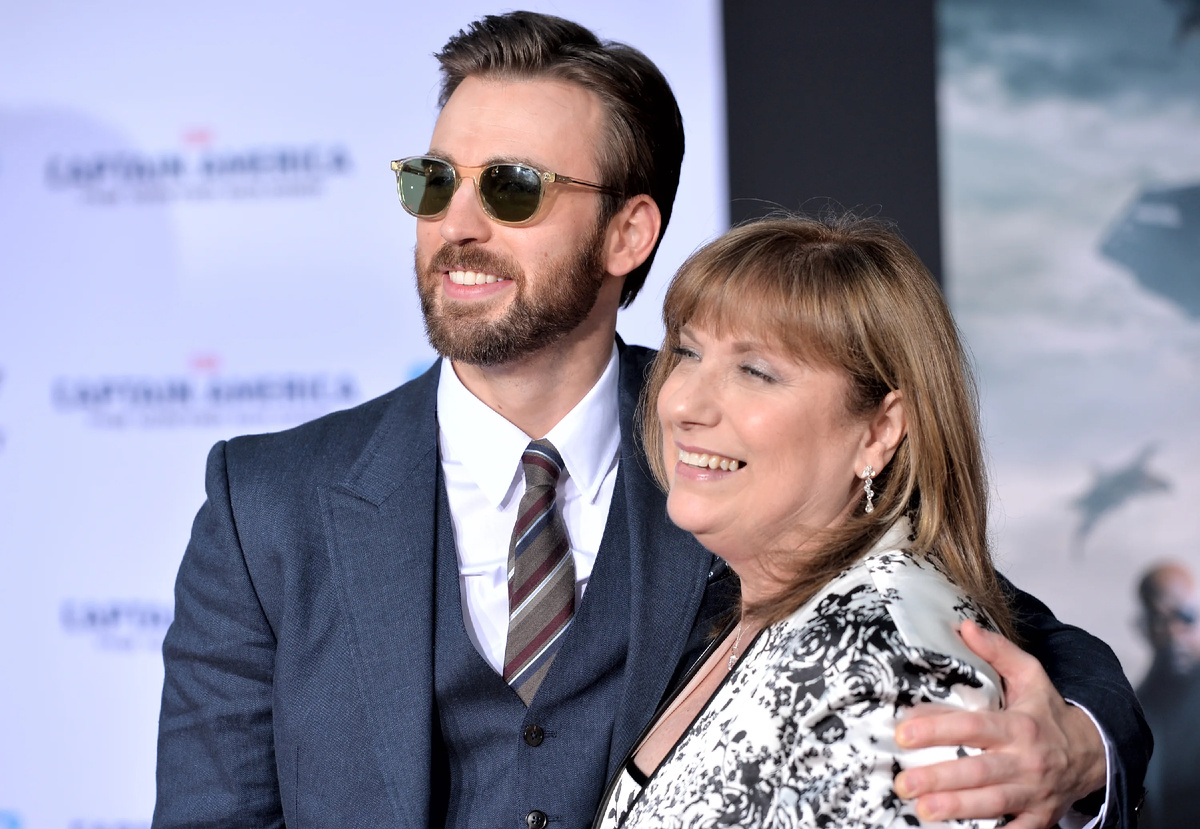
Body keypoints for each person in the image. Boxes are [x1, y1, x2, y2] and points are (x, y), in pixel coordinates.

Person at [152, 11, 1148, 829]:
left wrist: (1080, 749)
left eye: (512, 187)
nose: (458, 223)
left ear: (628, 231)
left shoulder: (740, 458)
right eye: (434, 180)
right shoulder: (266, 502)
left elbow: (997, 634)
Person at [596, 214, 1084, 828]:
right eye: (688, 353)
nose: (683, 403)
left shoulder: (887, 664)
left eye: (755, 371)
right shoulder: (765, 607)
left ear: (879, 431)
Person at [1134, 562, 1200, 829]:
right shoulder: (1138, 709)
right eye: (1159, 619)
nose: (1173, 632)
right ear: (1143, 628)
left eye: (1185, 617)